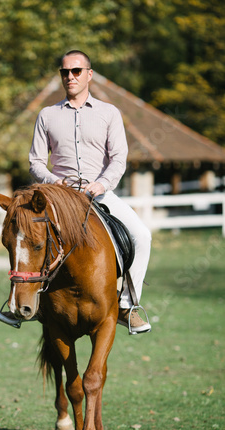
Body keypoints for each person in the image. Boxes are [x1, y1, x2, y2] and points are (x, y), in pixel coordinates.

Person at [29, 50, 152, 334]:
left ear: (89, 75)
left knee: (142, 236)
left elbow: (119, 157)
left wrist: (102, 184)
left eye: (76, 71)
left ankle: (127, 306)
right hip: (60, 197)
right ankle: (24, 303)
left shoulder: (110, 113)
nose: (70, 77)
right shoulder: (47, 115)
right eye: (65, 72)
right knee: (27, 235)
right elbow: (35, 161)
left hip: (100, 193)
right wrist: (53, 181)